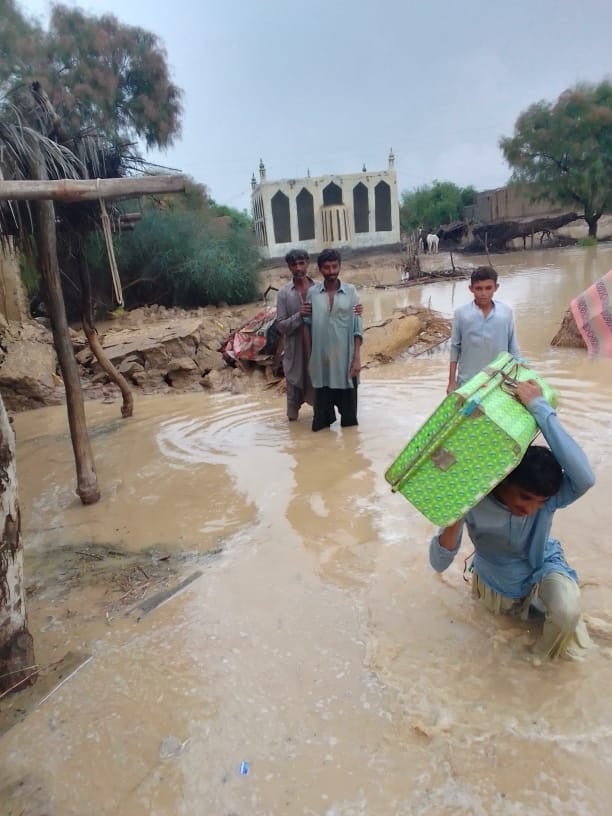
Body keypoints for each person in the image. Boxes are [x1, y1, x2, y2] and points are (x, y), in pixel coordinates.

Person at [429, 380, 596, 661]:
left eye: (540, 502)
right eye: (525, 497)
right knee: (500, 645)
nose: (531, 510)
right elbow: (439, 563)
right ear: (505, 480)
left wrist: (540, 408)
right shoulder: (474, 498)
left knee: (568, 619)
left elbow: (585, 478)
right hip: (496, 583)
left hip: (542, 566)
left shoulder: (549, 499)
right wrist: (455, 514)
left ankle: (538, 661)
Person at [304, 249, 364, 432]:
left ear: (340, 266)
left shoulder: (351, 292)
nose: (331, 271)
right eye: (327, 267)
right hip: (321, 364)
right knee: (320, 425)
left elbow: (357, 328)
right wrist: (310, 358)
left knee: (349, 425)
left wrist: (356, 359)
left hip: (345, 363)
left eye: (334, 266)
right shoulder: (312, 294)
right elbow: (307, 325)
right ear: (320, 269)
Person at [447, 266, 520, 394]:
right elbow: (455, 348)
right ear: (471, 289)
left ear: (496, 288)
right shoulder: (461, 314)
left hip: (499, 379)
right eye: (478, 288)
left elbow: (513, 348)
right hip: (468, 380)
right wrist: (451, 381)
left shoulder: (506, 313)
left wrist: (519, 378)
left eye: (488, 288)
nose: (483, 293)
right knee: (468, 413)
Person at [276, 249, 316, 421]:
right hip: (294, 354)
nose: (299, 268)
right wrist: (300, 315)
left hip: (317, 352)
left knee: (320, 398)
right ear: (289, 267)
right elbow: (281, 326)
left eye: (301, 263)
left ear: (307, 263)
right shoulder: (284, 294)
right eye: (294, 265)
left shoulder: (319, 288)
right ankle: (294, 438)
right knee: (292, 403)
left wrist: (354, 310)